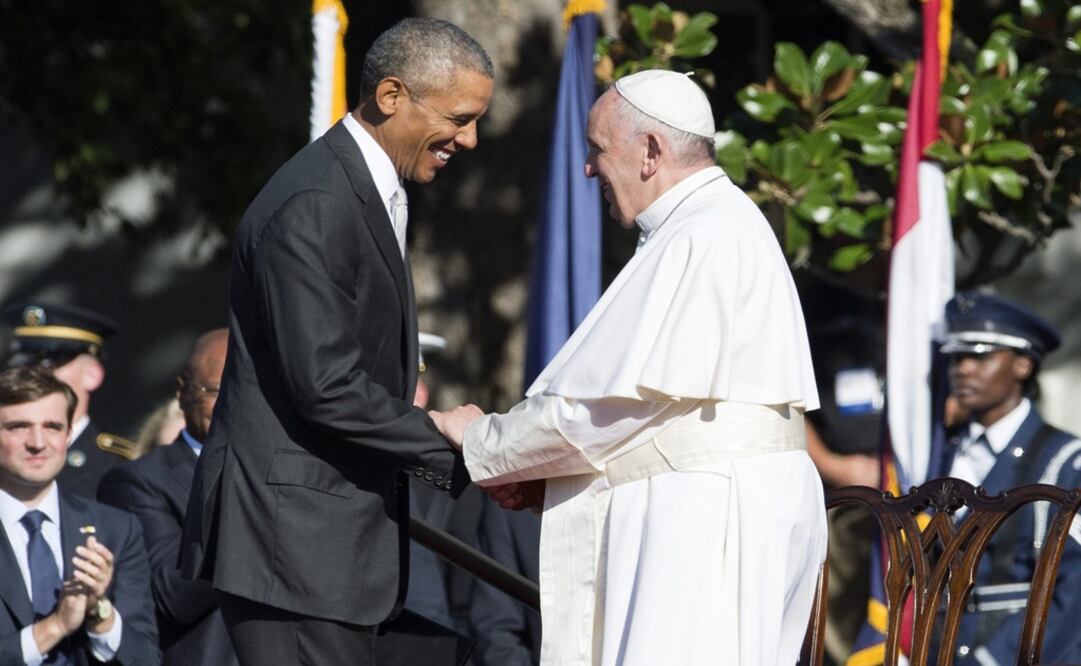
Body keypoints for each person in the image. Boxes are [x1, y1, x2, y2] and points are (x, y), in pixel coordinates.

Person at [433, 70, 827, 665]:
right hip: (726, 506)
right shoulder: (715, 224)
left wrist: (484, 440)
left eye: (597, 149)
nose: (589, 168)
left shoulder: (704, 233)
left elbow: (602, 409)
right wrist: (540, 476)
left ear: (650, 152)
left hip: (711, 518)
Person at [179, 17, 494, 666]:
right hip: (291, 547)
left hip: (325, 549)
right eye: (459, 118)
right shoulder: (318, 200)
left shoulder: (363, 189)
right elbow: (325, 385)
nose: (469, 138)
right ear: (390, 96)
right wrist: (464, 444)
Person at [939, 291, 1081, 664]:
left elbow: (1075, 587)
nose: (963, 368)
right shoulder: (941, 454)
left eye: (980, 356)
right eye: (956, 357)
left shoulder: (1065, 461)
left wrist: (993, 660)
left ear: (1022, 365)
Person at [0, 366, 159, 664]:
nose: (38, 442)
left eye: (53, 427)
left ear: (69, 434)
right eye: (18, 427)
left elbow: (148, 658)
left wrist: (101, 614)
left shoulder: (115, 529)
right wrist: (55, 627)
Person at [97, 329, 236, 666]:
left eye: (249, 389)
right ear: (182, 391)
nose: (235, 401)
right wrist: (253, 510)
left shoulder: (291, 471)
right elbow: (172, 596)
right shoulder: (139, 482)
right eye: (218, 390)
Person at [2, 302, 136, 497]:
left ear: (92, 375)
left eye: (50, 366)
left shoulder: (118, 466)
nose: (35, 376)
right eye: (27, 366)